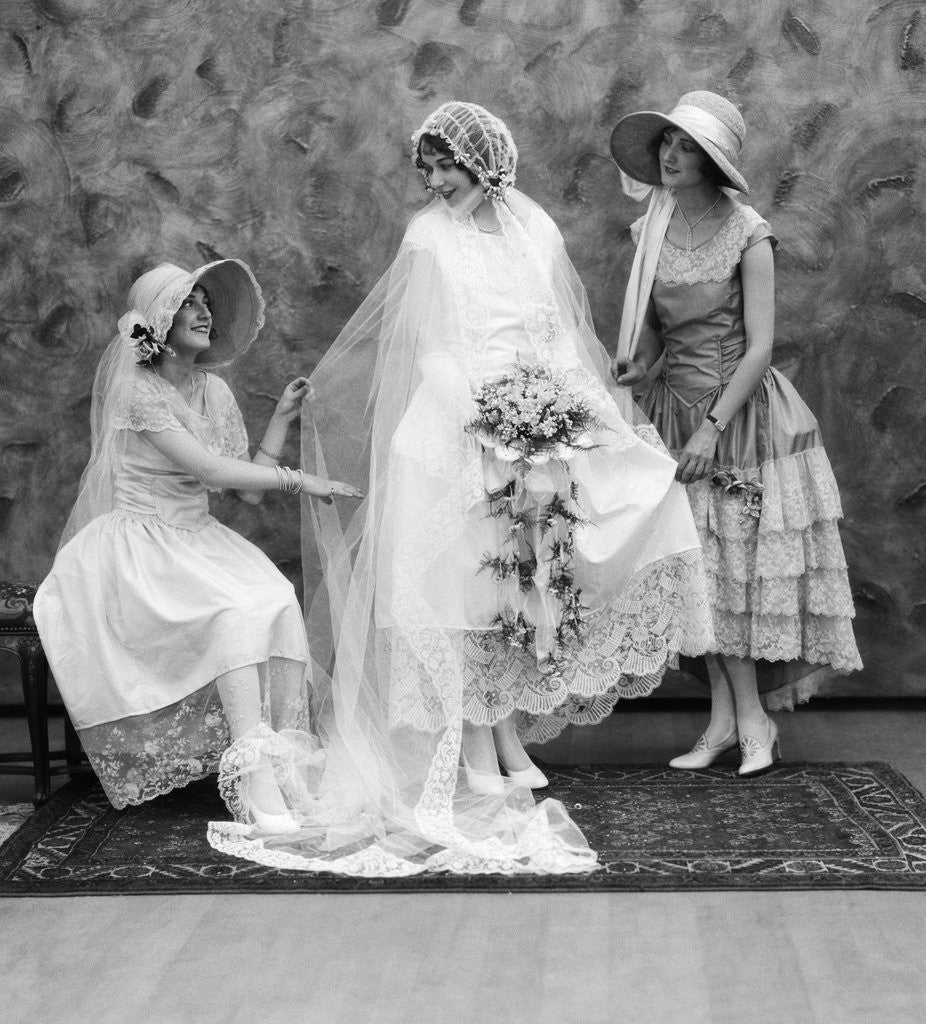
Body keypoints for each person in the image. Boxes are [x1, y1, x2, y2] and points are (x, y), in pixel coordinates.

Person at [207, 101, 713, 876]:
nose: (437, 182)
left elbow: (555, 335)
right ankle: (473, 739)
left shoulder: (536, 229)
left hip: (535, 426)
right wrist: (488, 422)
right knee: (464, 591)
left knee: (521, 586)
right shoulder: (428, 237)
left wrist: (584, 418)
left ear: (487, 163)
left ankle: (502, 729)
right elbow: (433, 346)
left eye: (449, 166)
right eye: (429, 169)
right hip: (455, 430)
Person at [33, 259, 361, 833]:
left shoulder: (214, 389)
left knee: (277, 600)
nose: (204, 311)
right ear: (157, 319)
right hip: (138, 549)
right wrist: (303, 479)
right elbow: (209, 468)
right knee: (235, 613)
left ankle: (283, 771)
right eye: (189, 301)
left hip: (197, 540)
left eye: (207, 301)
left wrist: (281, 419)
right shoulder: (138, 390)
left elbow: (243, 488)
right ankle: (254, 777)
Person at [609, 90, 862, 775]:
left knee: (729, 579)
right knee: (698, 578)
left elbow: (759, 347)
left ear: (713, 162)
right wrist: (637, 366)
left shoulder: (748, 230)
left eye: (687, 147)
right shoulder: (649, 233)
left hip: (741, 419)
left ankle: (751, 722)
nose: (671, 155)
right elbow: (659, 338)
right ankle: (727, 722)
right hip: (672, 414)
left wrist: (711, 431)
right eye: (667, 142)